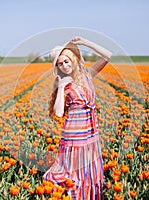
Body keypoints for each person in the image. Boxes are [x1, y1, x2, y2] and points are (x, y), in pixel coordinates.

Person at [43, 36, 112, 200]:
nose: (65, 66)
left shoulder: (87, 74)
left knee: (89, 169)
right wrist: (60, 88)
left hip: (91, 133)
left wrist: (85, 42)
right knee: (75, 171)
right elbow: (59, 113)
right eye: (60, 64)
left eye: (66, 61)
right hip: (74, 135)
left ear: (73, 59)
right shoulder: (65, 84)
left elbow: (107, 56)